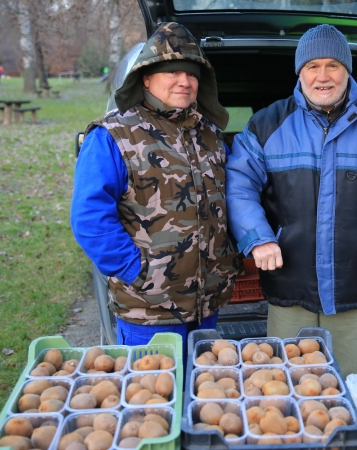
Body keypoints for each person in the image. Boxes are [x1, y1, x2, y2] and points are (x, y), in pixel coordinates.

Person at [226, 24, 357, 377]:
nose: (323, 76)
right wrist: (258, 237)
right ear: (300, 72)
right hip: (289, 281)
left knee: (347, 382)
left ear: (347, 70)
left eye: (332, 65)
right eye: (312, 66)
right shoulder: (267, 124)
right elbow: (238, 185)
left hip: (355, 283)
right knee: (285, 382)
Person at [70, 22, 242, 355]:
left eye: (192, 74)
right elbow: (89, 218)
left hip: (207, 304)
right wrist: (137, 273)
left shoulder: (209, 134)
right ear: (147, 77)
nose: (185, 81)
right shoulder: (113, 136)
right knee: (151, 403)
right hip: (148, 310)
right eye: (172, 72)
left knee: (202, 396)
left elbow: (232, 199)